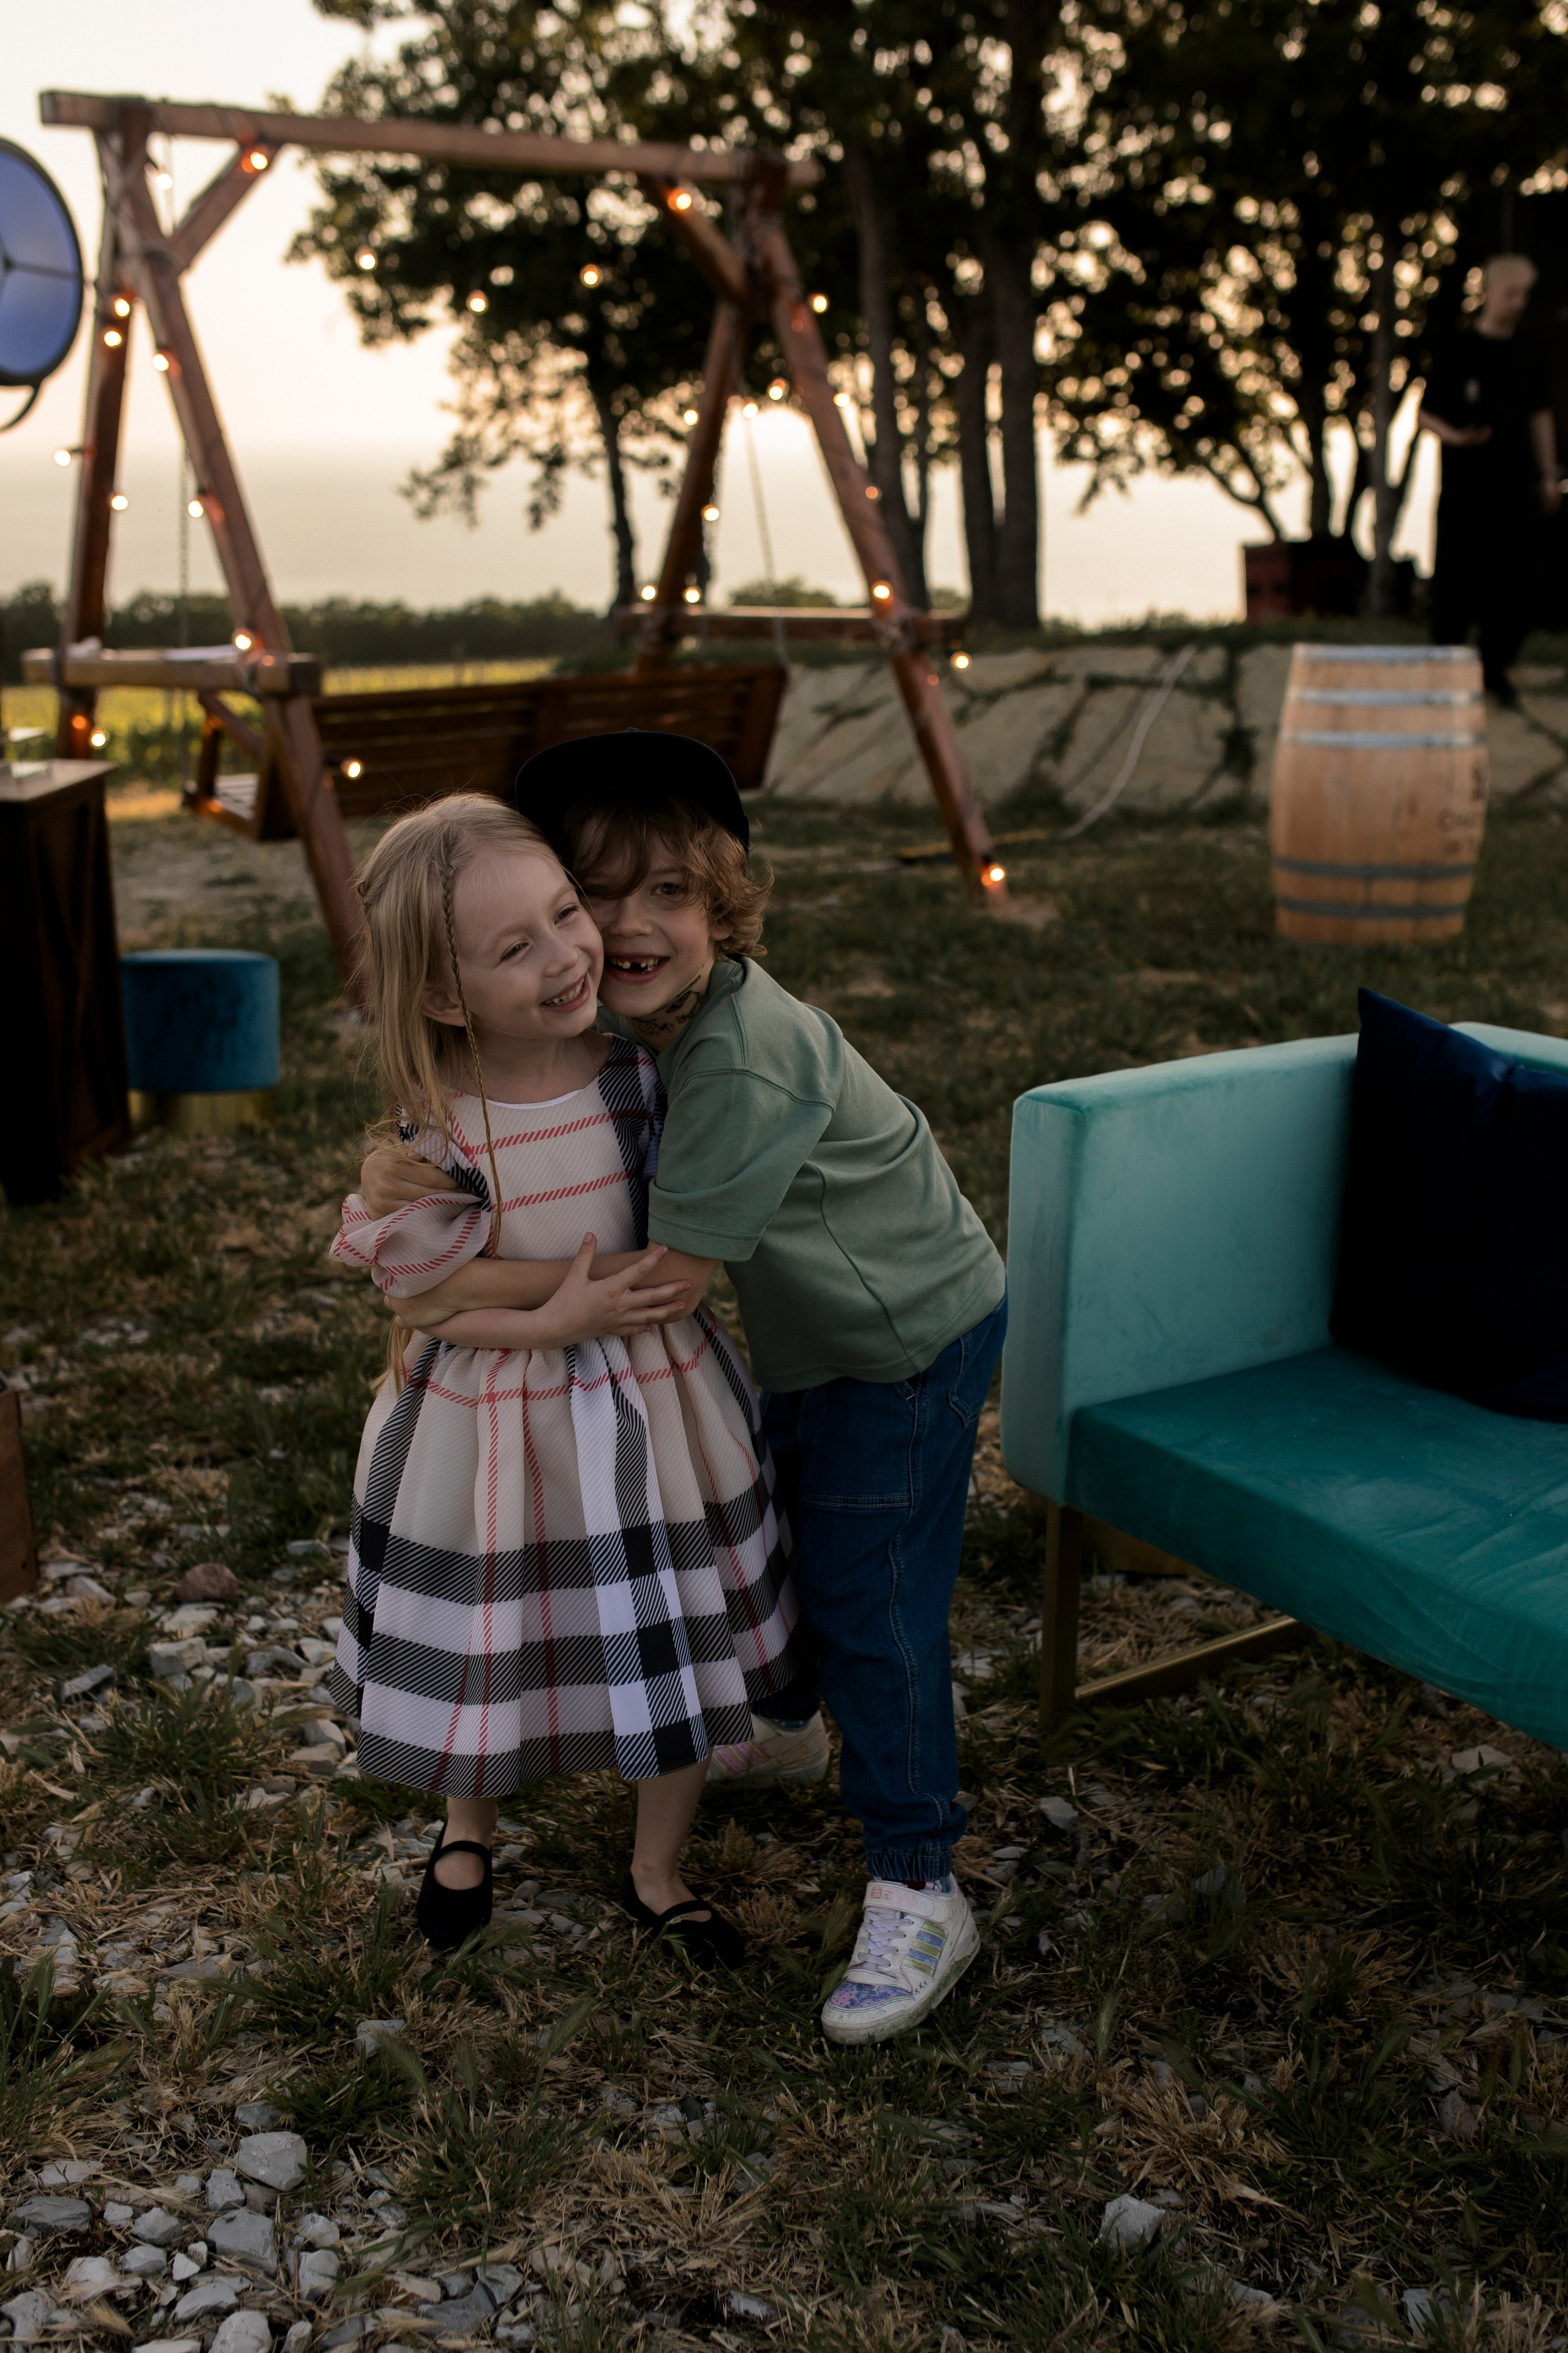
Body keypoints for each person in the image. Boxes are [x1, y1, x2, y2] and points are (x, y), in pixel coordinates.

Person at [359, 734, 1007, 2048]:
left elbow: (655, 1279)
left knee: (869, 1600)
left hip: (902, 1340)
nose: (622, 927)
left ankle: (919, 1879)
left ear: (723, 904)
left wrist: (450, 1284)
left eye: (670, 893)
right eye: (593, 893)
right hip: (819, 1338)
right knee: (768, 1535)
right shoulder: (632, 1033)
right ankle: (770, 1720)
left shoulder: (728, 1060)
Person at [330, 793, 805, 1963]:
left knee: (669, 1619)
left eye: (563, 914)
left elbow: (679, 1231)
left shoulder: (639, 1079)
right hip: (490, 1419)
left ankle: (657, 1865)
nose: (568, 953)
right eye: (516, 946)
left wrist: (582, 1308)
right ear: (445, 995)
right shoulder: (444, 1124)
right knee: (498, 1619)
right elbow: (424, 1293)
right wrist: (560, 1311)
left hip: (651, 1403)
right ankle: (466, 1823)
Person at [1419, 252, 1561, 704]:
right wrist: (1457, 438)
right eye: (1510, 294)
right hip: (1466, 489)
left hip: (1516, 484)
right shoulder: (1458, 350)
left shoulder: (1530, 351)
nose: (1518, 303)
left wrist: (1549, 475)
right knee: (1457, 579)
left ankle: (1494, 667)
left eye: (1524, 295)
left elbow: (1541, 415)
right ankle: (1443, 668)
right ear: (1487, 295)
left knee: (1521, 579)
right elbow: (1426, 414)